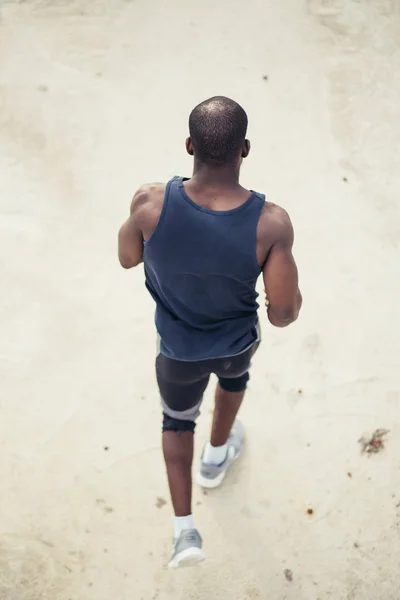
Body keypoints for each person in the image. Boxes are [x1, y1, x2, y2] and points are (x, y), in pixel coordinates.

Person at [118, 96, 302, 568]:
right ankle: (217, 456)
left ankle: (185, 534)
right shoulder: (270, 223)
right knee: (234, 382)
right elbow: (282, 313)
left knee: (177, 422)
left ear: (188, 146)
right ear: (245, 149)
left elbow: (128, 257)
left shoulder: (149, 202)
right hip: (236, 342)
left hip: (178, 349)